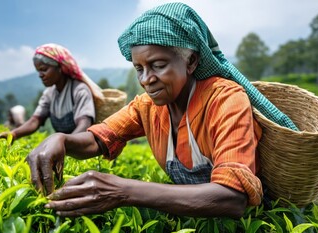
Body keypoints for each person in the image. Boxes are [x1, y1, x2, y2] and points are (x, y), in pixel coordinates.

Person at [25, 3, 298, 218]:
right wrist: (61, 139)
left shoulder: (224, 99)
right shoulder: (148, 106)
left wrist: (122, 190)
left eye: (158, 65)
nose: (146, 79)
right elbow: (100, 137)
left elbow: (232, 197)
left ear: (190, 61)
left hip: (251, 224)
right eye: (139, 69)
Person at [0, 43, 104, 142]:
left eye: (43, 69)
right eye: (38, 71)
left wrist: (62, 144)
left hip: (81, 149)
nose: (40, 75)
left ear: (60, 68)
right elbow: (35, 121)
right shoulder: (49, 94)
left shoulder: (79, 90)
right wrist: (13, 134)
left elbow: (84, 125)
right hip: (63, 148)